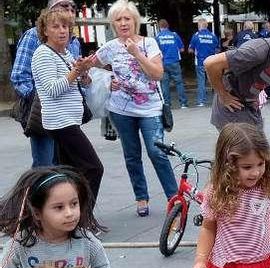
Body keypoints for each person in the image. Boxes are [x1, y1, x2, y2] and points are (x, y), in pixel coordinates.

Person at [88, 0, 178, 217]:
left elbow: (157, 74)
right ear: (113, 24)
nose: (123, 23)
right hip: (120, 110)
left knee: (157, 152)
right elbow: (88, 68)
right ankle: (141, 198)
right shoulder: (109, 48)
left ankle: (174, 199)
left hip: (150, 110)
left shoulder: (149, 44)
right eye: (118, 19)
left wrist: (137, 53)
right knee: (132, 155)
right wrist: (107, 80)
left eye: (127, 18)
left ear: (135, 21)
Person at [190, 123, 270, 268]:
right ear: (228, 165)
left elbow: (269, 223)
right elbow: (208, 228)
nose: (255, 172)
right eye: (247, 167)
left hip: (262, 264)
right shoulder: (217, 192)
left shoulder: (265, 188)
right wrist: (200, 261)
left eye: (260, 164)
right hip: (229, 267)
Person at [0, 167, 108, 268]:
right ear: (37, 213)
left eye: (74, 204)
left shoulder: (86, 239)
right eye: (59, 207)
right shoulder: (20, 242)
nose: (70, 213)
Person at [31, 9, 104, 200]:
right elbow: (52, 89)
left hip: (68, 120)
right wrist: (76, 71)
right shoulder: (43, 54)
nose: (62, 31)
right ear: (45, 31)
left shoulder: (65, 53)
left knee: (69, 175)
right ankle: (82, 218)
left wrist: (84, 72)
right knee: (93, 168)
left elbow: (82, 83)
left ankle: (65, 217)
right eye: (55, 27)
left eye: (65, 26)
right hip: (60, 122)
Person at [11, 0, 81, 168]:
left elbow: (74, 78)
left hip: (69, 116)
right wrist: (40, 101)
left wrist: (84, 78)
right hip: (44, 112)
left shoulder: (74, 42)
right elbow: (19, 76)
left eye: (73, 8)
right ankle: (33, 194)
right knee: (45, 166)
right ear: (51, 10)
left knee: (66, 166)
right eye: (65, 7)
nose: (70, 11)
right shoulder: (33, 35)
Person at [155, 19, 188, 108]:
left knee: (164, 84)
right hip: (174, 62)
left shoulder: (158, 37)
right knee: (179, 83)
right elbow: (182, 49)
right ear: (168, 26)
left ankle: (167, 104)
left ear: (159, 27)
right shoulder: (174, 35)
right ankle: (183, 103)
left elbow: (155, 52)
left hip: (163, 63)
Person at [189, 18, 220, 106]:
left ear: (199, 26)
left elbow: (190, 49)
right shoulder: (213, 36)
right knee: (214, 81)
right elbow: (217, 49)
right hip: (211, 62)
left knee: (201, 81)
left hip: (200, 62)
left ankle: (201, 101)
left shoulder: (196, 36)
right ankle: (216, 100)